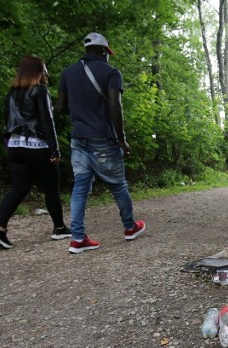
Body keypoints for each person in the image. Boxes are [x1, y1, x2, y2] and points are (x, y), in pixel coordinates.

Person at [57, 32, 145, 254]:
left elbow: (59, 107)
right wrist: (122, 139)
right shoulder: (110, 72)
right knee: (118, 185)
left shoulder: (67, 73)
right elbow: (115, 106)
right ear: (104, 51)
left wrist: (81, 113)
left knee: (80, 188)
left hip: (78, 138)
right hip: (103, 138)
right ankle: (129, 227)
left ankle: (77, 239)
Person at [0, 55, 71, 249]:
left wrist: (8, 147)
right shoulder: (40, 90)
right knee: (51, 188)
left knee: (18, 188)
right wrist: (54, 148)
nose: (47, 73)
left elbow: (7, 121)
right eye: (44, 69)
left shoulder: (12, 93)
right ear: (38, 71)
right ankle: (59, 228)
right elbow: (47, 121)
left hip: (15, 147)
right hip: (36, 146)